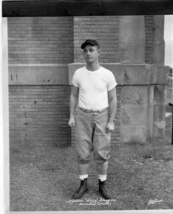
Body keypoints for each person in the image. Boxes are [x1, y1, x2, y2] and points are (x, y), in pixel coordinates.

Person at [68, 39, 117, 200]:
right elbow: (74, 95)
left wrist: (111, 120)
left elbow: (113, 99)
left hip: (102, 116)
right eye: (85, 51)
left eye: (91, 50)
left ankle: (102, 184)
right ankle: (83, 185)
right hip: (83, 116)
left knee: (102, 152)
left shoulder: (107, 74)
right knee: (83, 152)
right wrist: (72, 116)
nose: (88, 53)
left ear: (98, 52)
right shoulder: (78, 73)